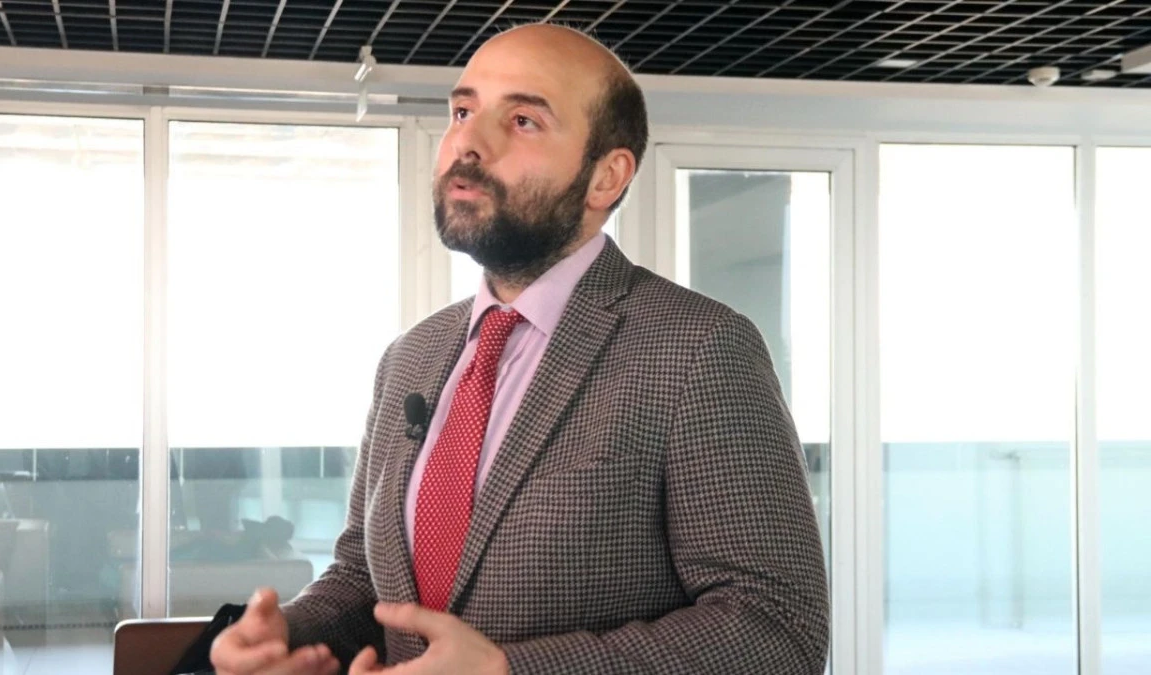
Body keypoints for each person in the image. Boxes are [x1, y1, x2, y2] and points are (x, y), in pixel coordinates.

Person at [211, 23, 829, 675]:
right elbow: (365, 578)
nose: (467, 142)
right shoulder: (410, 357)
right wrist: (284, 636)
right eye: (462, 112)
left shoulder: (699, 347)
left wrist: (510, 670)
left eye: (524, 120)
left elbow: (778, 626)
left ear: (605, 177)